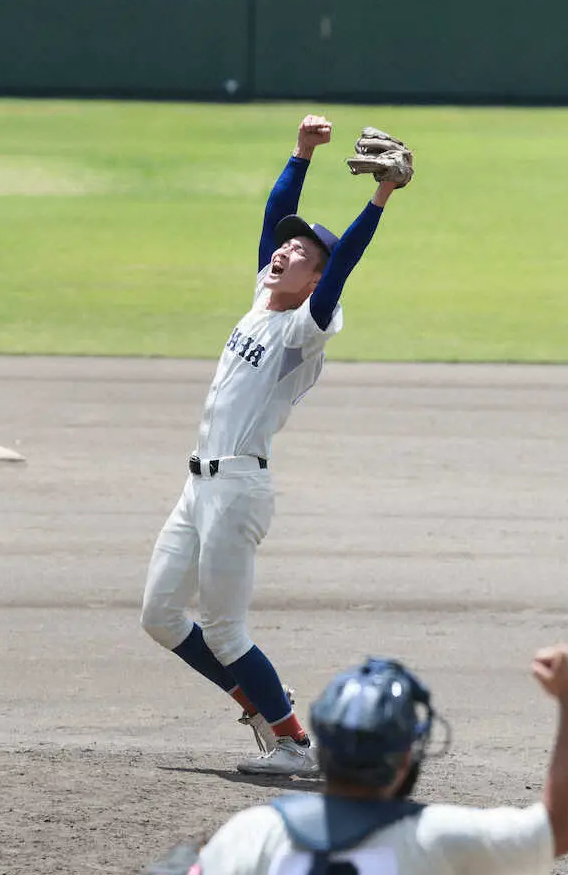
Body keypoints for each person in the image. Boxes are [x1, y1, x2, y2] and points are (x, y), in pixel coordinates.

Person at [139, 115, 410, 777]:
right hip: (198, 488)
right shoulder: (264, 301)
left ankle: (295, 744)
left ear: (315, 280)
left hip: (238, 490)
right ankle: (262, 707)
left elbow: (342, 265)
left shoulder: (303, 333)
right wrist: (301, 154)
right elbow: (274, 217)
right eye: (284, 247)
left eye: (300, 254)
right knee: (161, 616)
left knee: (225, 630)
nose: (283, 252)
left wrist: (380, 197)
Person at [123, 644, 568, 875]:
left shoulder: (255, 833)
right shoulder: (439, 839)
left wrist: (163, 874)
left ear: (324, 748)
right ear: (405, 757)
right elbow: (562, 828)